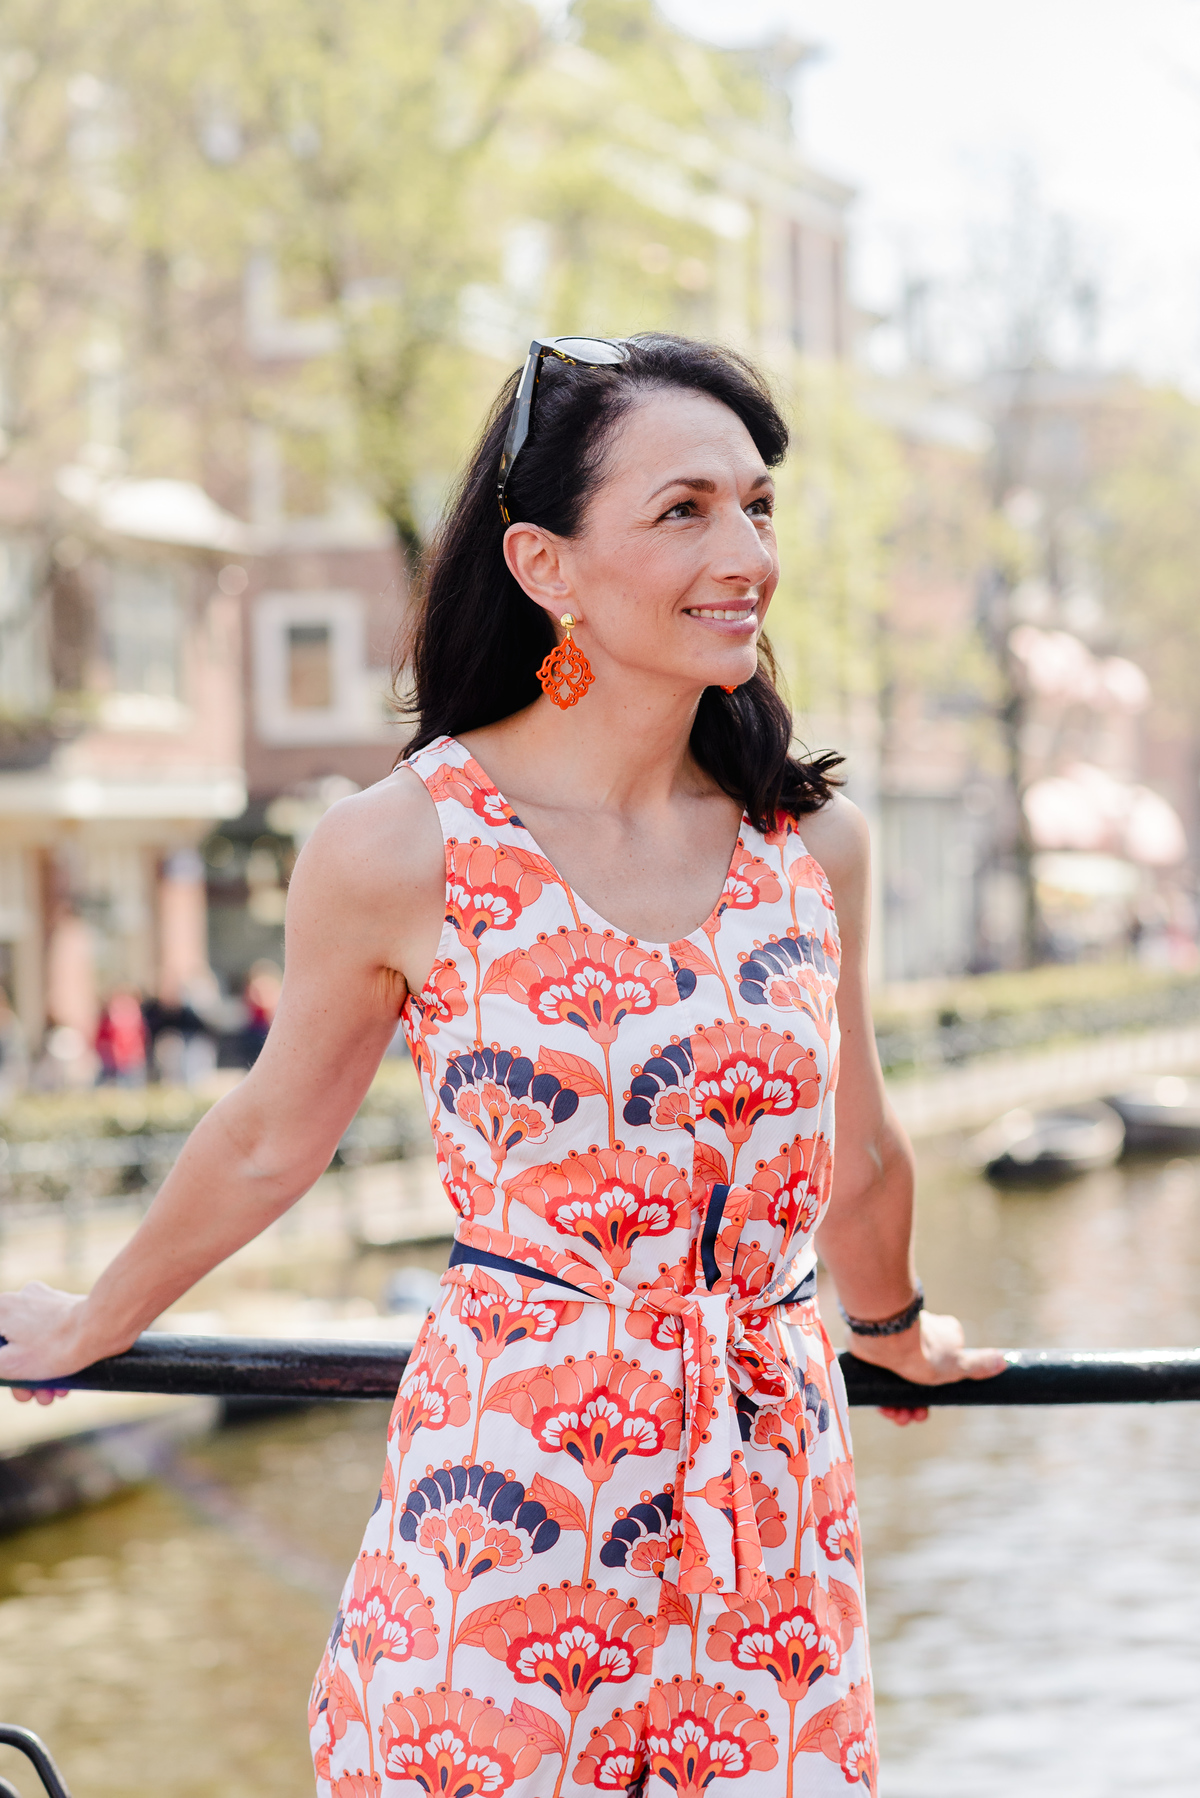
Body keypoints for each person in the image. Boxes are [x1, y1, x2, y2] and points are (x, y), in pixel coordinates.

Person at [0, 334, 1003, 1794]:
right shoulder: (404, 842)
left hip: (769, 1508)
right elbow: (276, 1135)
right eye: (685, 511)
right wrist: (99, 1316)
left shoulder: (809, 845)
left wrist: (895, 1325)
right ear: (546, 565)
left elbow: (856, 1153)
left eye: (758, 503)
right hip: (513, 1515)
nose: (747, 552)